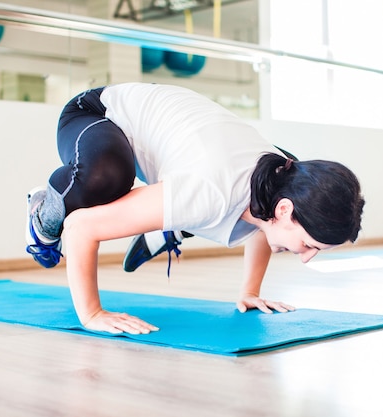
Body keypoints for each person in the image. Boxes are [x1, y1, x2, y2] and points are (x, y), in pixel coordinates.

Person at [25, 82, 365, 335]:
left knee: (205, 205)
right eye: (310, 245)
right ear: (286, 211)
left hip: (181, 154)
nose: (306, 257)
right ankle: (45, 212)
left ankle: (168, 222)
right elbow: (83, 227)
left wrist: (250, 292)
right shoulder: (210, 192)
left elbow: (266, 225)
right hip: (96, 113)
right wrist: (91, 314)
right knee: (106, 176)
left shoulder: (280, 180)